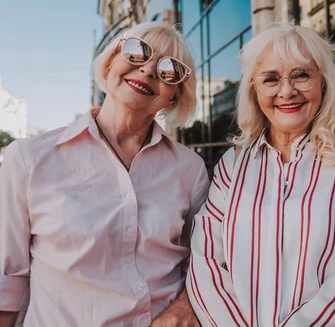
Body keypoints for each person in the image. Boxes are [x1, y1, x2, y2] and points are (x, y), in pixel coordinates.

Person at [186, 22, 335, 326]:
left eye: (301, 75)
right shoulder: (232, 165)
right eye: (270, 79)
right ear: (254, 91)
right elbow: (206, 262)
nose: (287, 91)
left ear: (324, 83)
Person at [0, 23, 209, 326]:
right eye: (137, 53)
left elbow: (206, 262)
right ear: (111, 61)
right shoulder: (29, 158)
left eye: (169, 70)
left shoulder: (190, 169)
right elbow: (7, 280)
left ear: (174, 97)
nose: (149, 70)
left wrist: (186, 307)